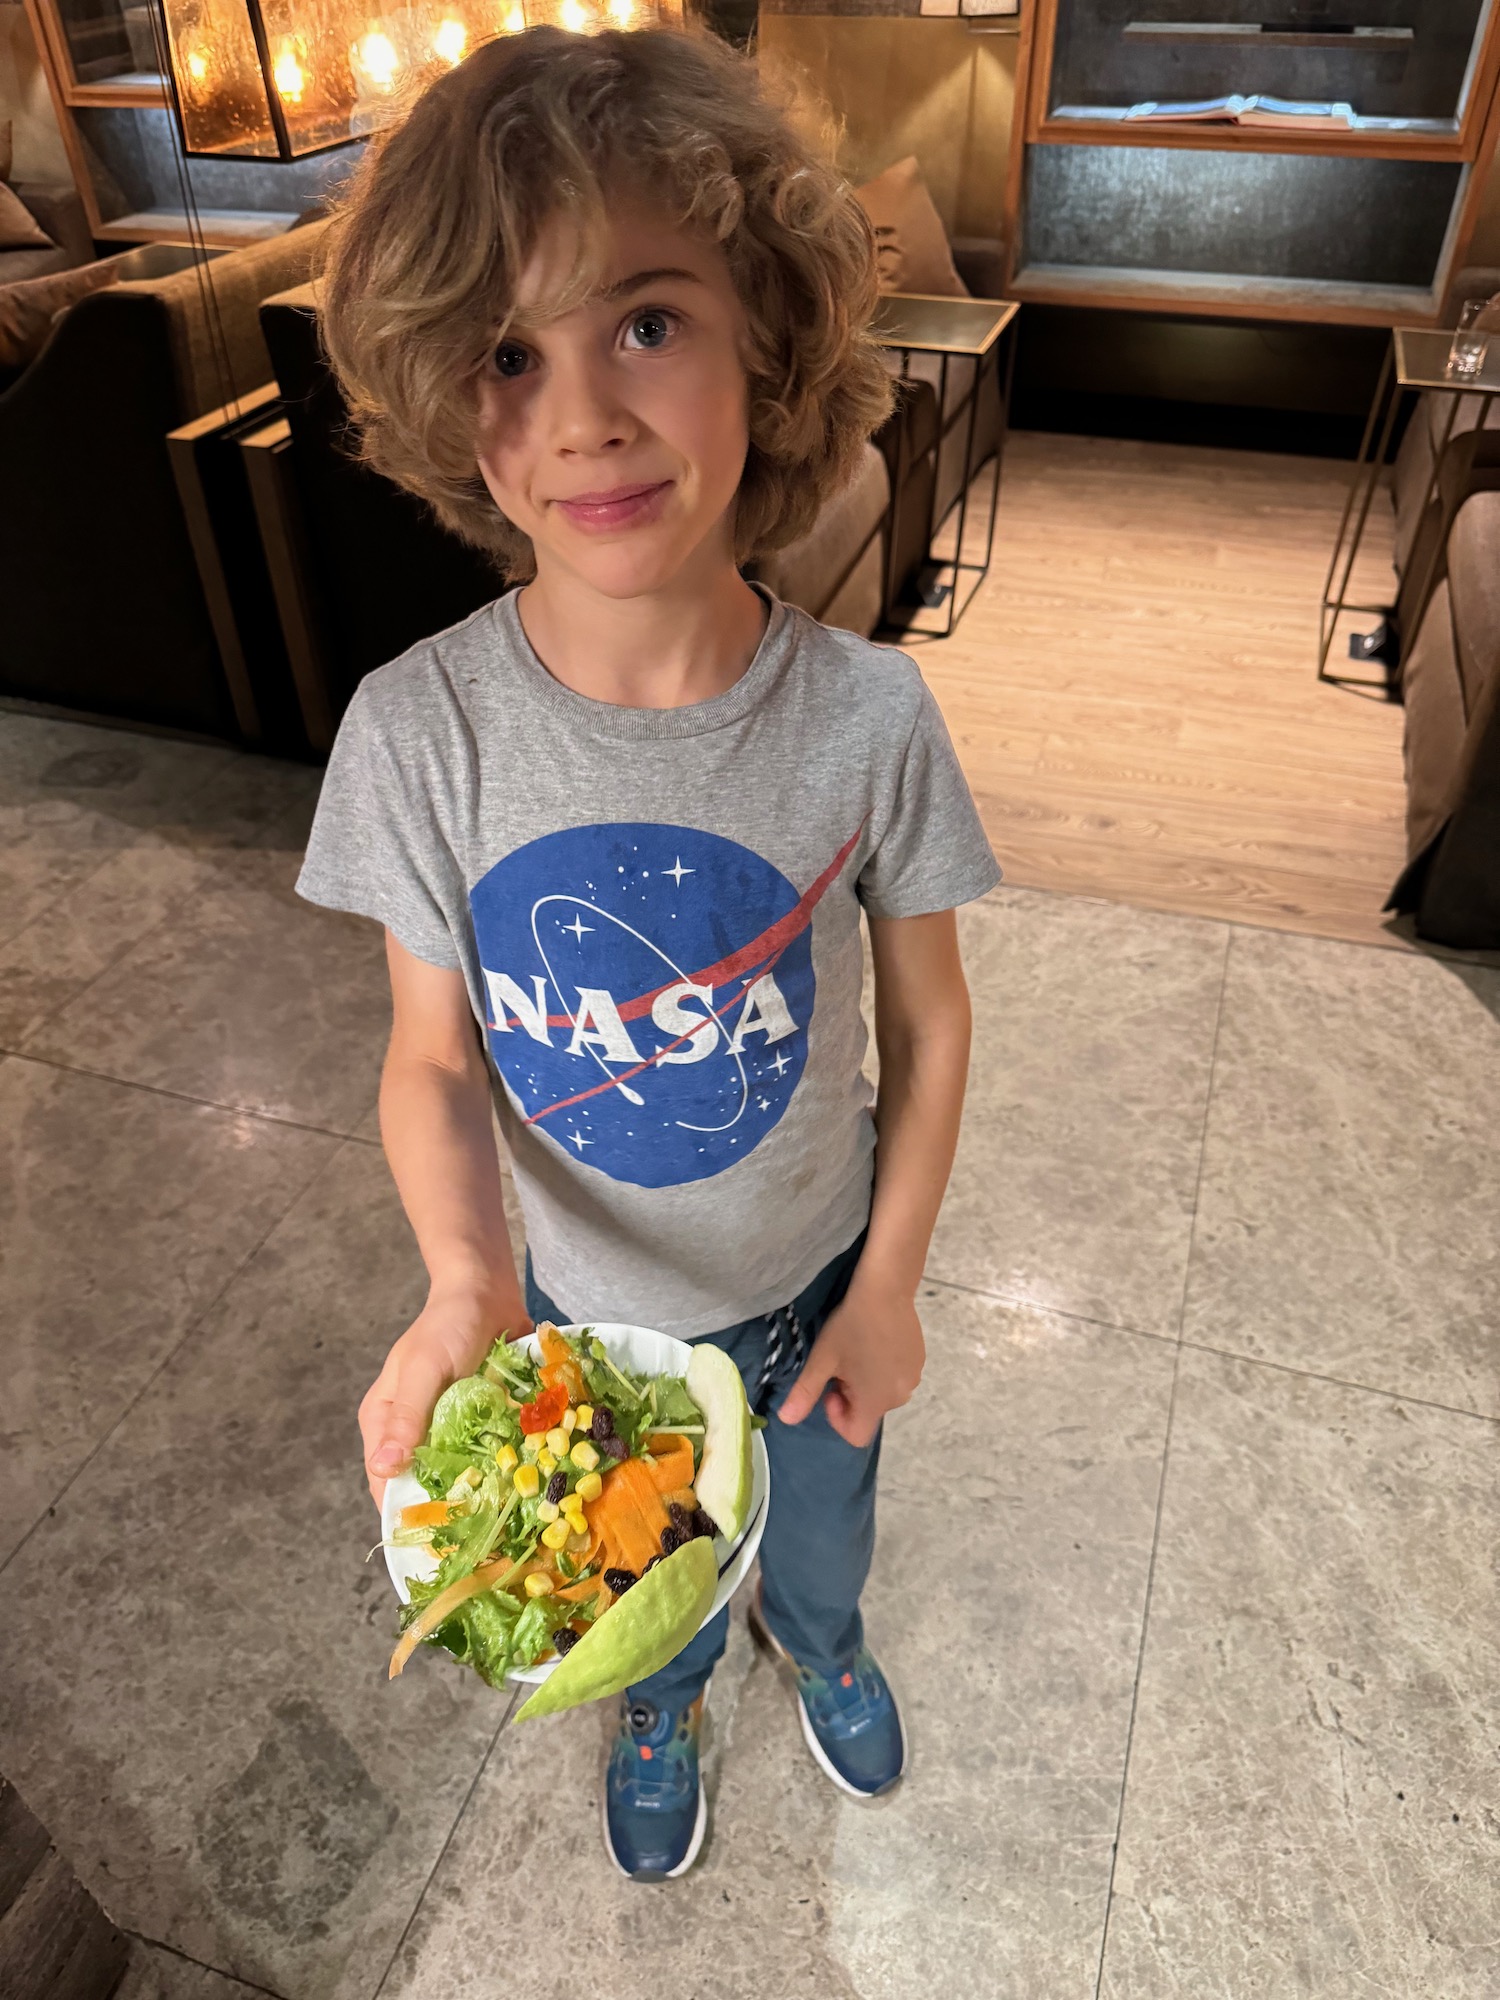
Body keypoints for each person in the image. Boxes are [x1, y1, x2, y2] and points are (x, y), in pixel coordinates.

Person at [296, 22, 1000, 1882]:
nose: (585, 415)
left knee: (821, 1534)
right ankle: (669, 1688)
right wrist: (464, 1286)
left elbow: (927, 1031)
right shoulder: (416, 733)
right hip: (586, 1322)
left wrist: (894, 1285)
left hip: (815, 1280)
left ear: (768, 340)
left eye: (649, 322)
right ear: (446, 405)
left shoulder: (866, 721)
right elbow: (433, 1059)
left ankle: (822, 1645)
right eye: (507, 355)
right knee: (643, 1571)